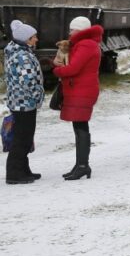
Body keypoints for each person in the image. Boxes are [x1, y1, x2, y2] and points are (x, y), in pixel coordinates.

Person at [52, 16, 104, 180]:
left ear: (78, 30)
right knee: (79, 127)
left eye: (72, 29)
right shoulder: (86, 44)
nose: (69, 32)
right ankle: (80, 164)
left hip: (82, 91)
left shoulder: (85, 45)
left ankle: (82, 166)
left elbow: (74, 68)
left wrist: (57, 71)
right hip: (81, 90)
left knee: (81, 128)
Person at [5, 20, 44, 184]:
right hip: (24, 103)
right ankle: (14, 174)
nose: (36, 39)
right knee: (22, 138)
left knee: (25, 137)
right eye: (34, 37)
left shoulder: (20, 52)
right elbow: (28, 82)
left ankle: (23, 169)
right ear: (26, 39)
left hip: (20, 102)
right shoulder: (22, 57)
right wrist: (37, 97)